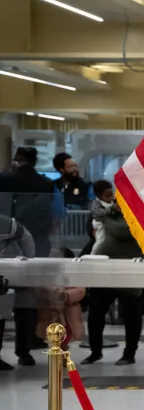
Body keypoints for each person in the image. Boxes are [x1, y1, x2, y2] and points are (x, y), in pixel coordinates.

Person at [0, 147, 57, 365]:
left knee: (2, 306)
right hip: (33, 246)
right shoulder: (44, 184)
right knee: (26, 303)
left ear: (17, 160)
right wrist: (30, 258)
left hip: (6, 254)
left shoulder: (5, 180)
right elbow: (56, 216)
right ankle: (25, 349)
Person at [84, 182, 144, 365]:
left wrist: (107, 220)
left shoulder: (136, 213)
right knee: (95, 313)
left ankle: (129, 354)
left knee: (132, 314)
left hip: (129, 270)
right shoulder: (107, 210)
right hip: (105, 269)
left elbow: (123, 231)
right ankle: (95, 351)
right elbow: (91, 228)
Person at [0, 211, 35, 371]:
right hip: (12, 273)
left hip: (15, 273)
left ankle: (24, 352)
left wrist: (27, 264)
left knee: (25, 311)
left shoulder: (6, 223)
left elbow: (26, 238)